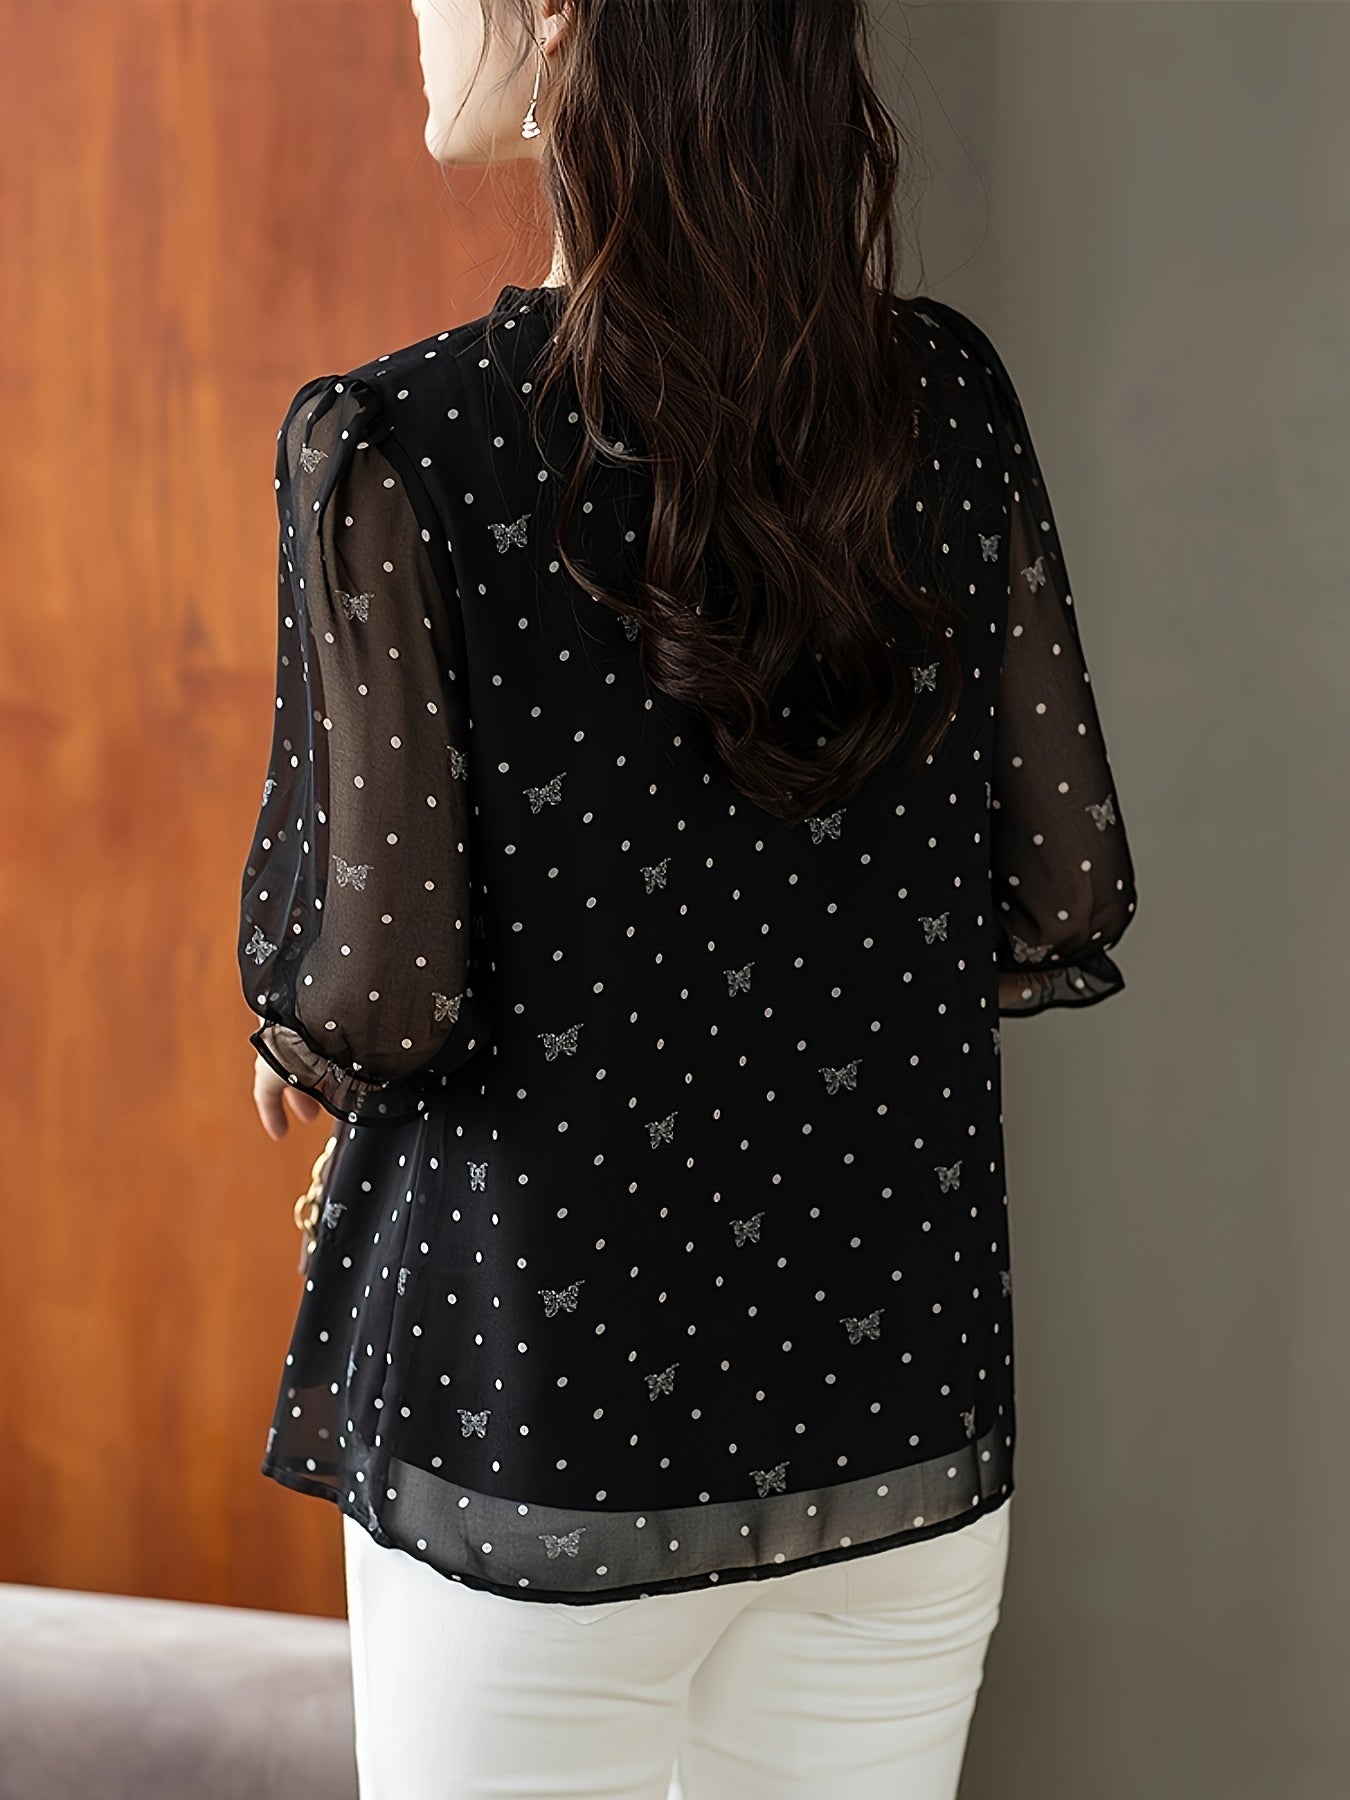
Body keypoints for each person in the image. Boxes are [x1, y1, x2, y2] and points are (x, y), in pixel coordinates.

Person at [238, 2, 1139, 1795]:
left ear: (556, 12)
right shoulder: (946, 400)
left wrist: (295, 1034)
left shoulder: (401, 443)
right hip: (891, 1427)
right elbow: (1060, 883)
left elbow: (375, 994)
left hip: (536, 1427)